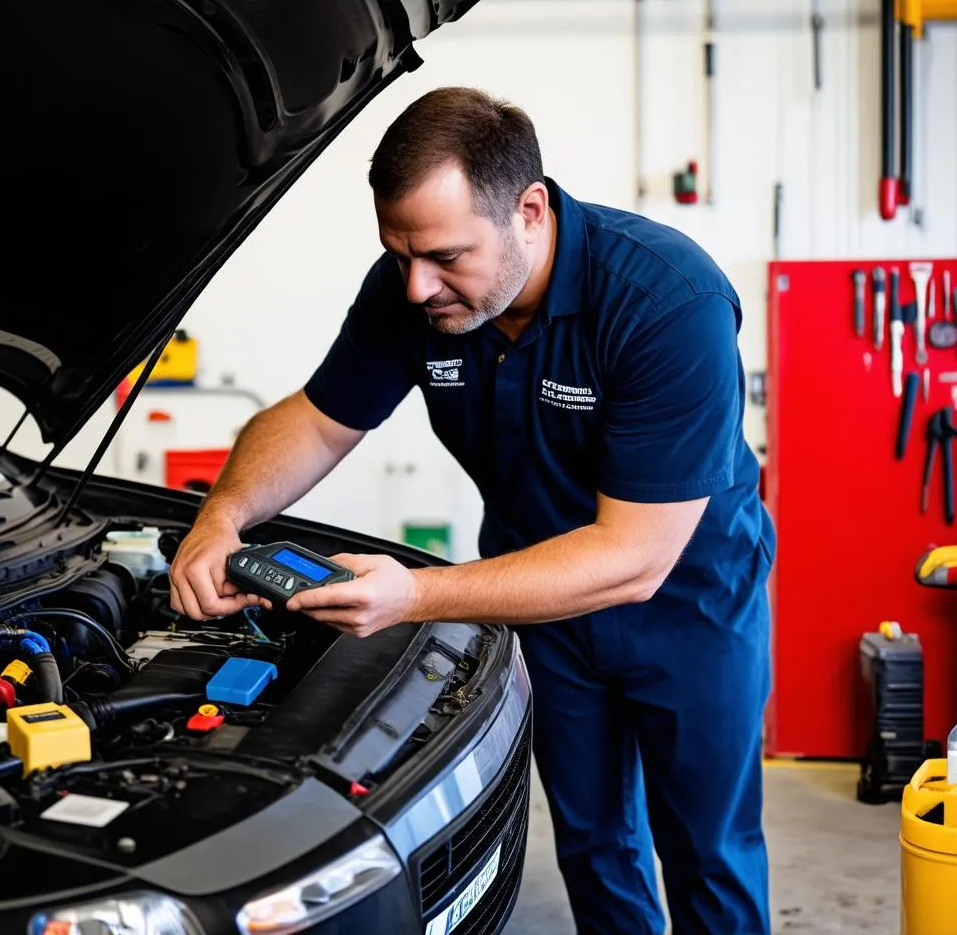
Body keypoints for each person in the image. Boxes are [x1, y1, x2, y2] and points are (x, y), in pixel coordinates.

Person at [169, 86, 775, 935]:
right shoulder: (414, 287)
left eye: (447, 256)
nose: (417, 286)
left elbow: (636, 557)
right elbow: (313, 419)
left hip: (689, 607)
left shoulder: (667, 302)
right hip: (539, 603)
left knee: (708, 847)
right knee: (595, 840)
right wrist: (221, 516)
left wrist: (415, 594)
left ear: (529, 210)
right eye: (399, 253)